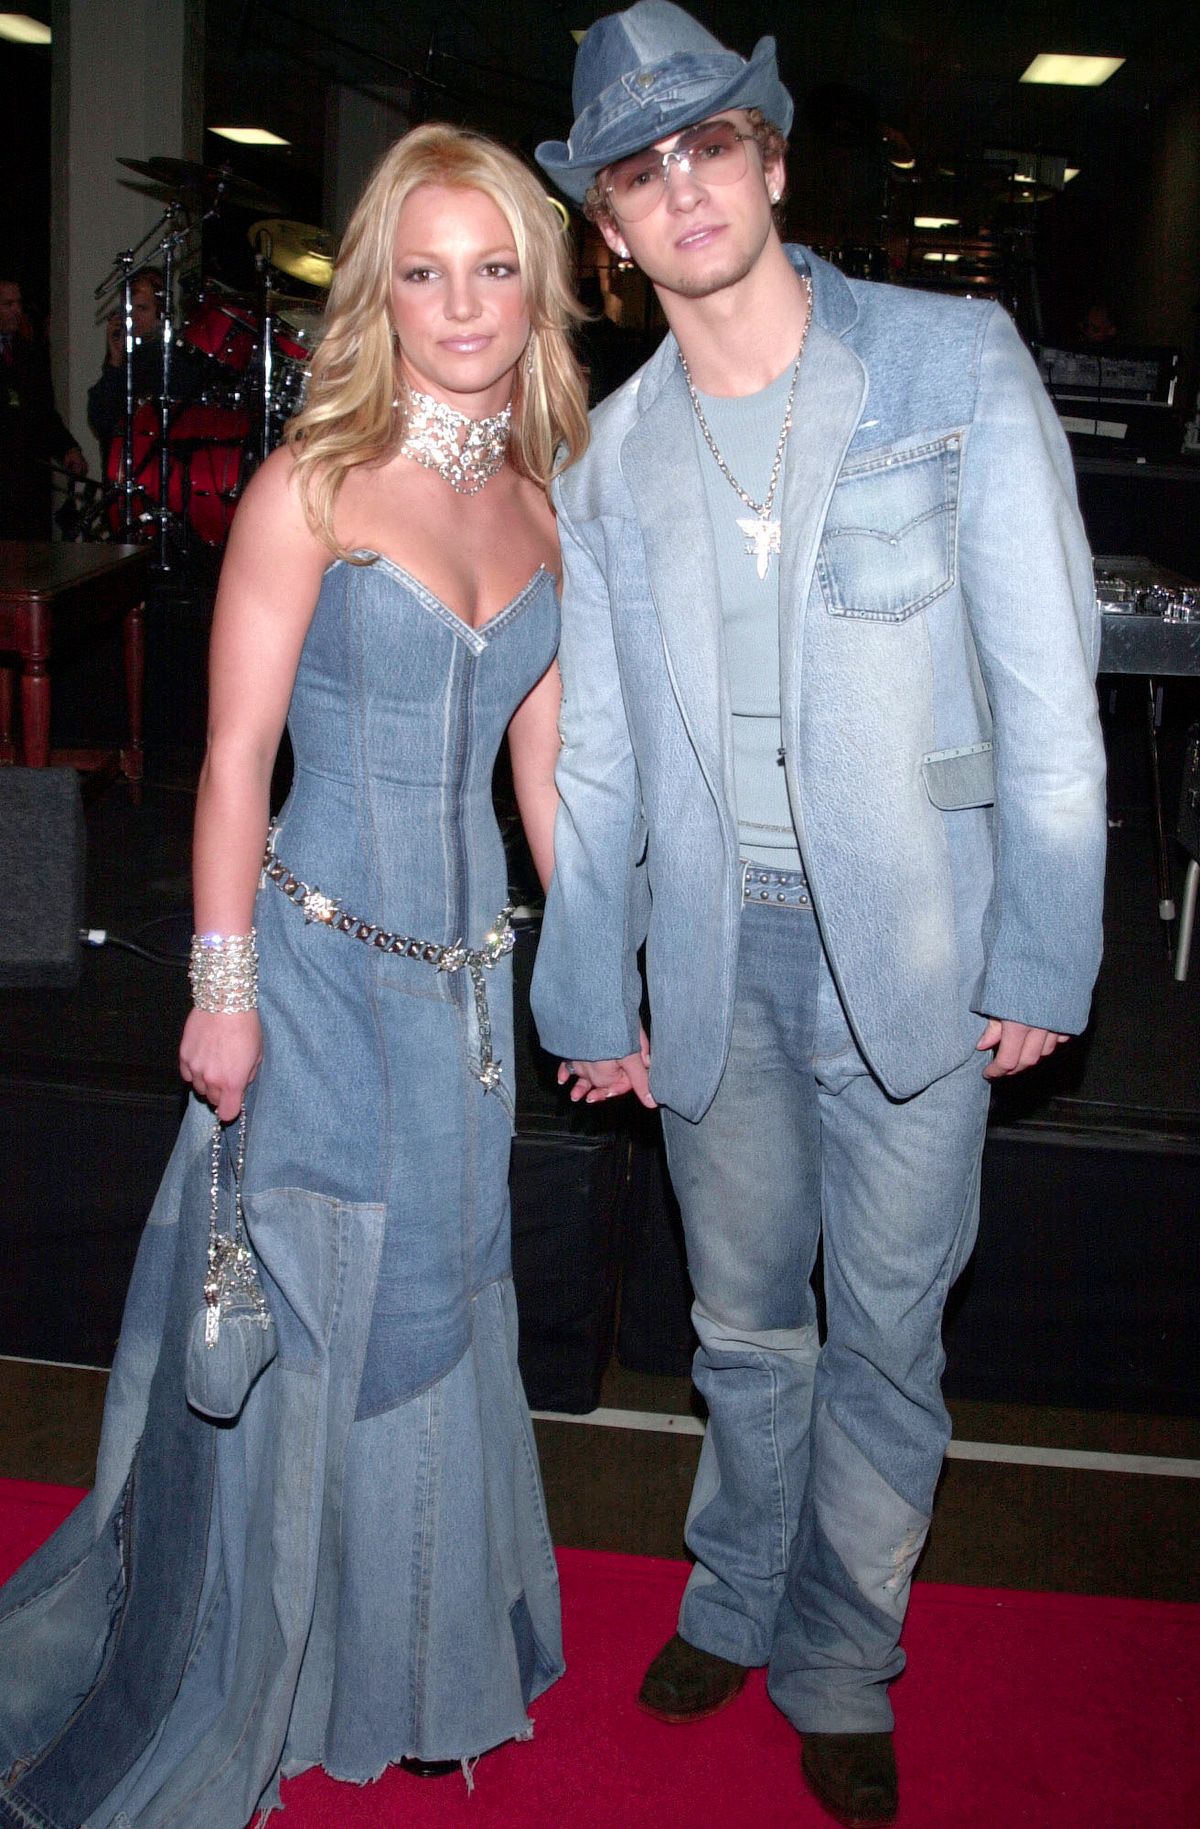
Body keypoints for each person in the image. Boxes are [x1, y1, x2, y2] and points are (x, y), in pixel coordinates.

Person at [531, 6, 1107, 1825]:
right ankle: (730, 1583)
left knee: (885, 1329)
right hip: (717, 955)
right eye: (641, 167)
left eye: (712, 144)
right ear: (610, 231)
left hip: (924, 956)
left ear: (772, 160)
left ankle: (846, 1649)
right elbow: (601, 764)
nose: (684, 184)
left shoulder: (950, 358)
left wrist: (1046, 941)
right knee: (741, 1325)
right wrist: (584, 984)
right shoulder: (606, 463)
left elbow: (1049, 678)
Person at [0, 123, 587, 1828]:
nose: (462, 302)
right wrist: (221, 981)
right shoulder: (311, 483)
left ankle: (389, 1666)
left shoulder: (545, 502)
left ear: (535, 286)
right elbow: (232, 757)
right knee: (320, 1317)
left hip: (468, 997)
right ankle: (239, 1685)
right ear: (380, 294)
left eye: (494, 268)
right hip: (318, 977)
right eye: (425, 269)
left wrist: (598, 985)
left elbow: (543, 783)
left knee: (435, 1308)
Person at [0, 277, 87, 538]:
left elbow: (44, 412)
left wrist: (68, 448)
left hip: (28, 482)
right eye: (8, 303)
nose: (17, 310)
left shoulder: (29, 353)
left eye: (19, 303)